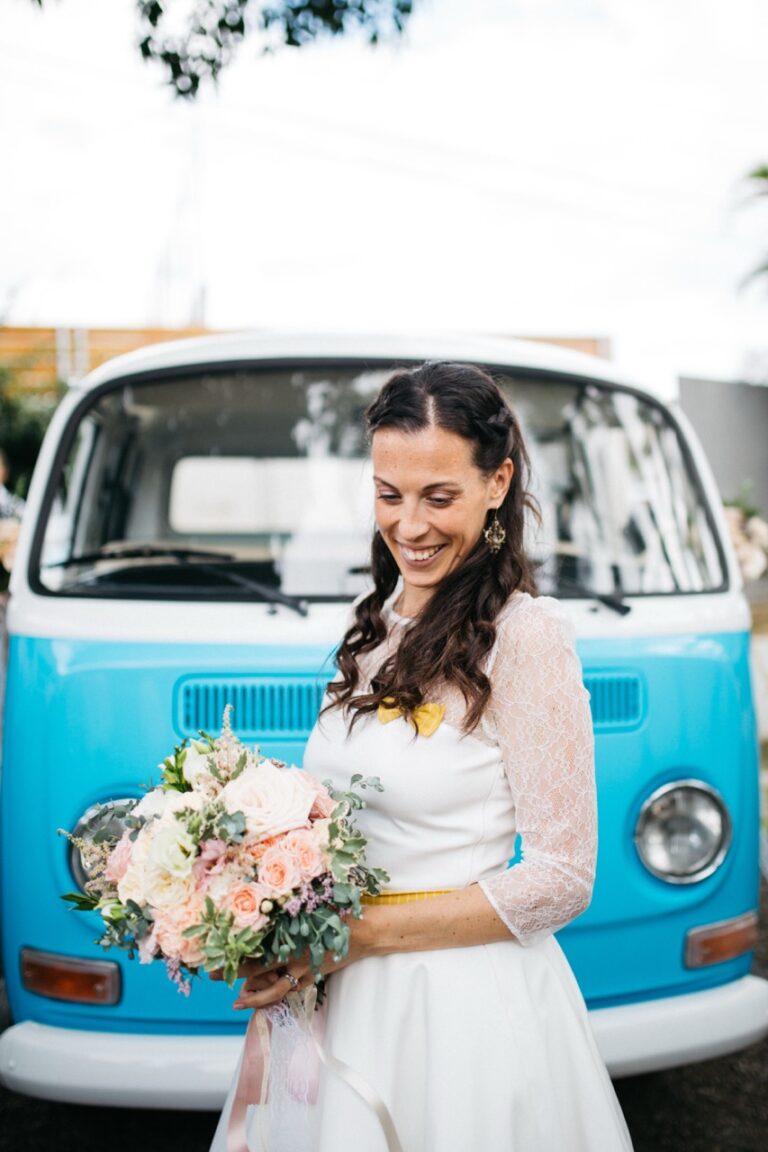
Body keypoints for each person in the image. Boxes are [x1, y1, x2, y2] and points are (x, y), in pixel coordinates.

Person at [210, 361, 634, 1151]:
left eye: (439, 497)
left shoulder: (528, 639)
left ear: (497, 481)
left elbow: (562, 878)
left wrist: (354, 934)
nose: (410, 526)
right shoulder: (371, 623)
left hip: (458, 1014)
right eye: (388, 494)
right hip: (338, 994)